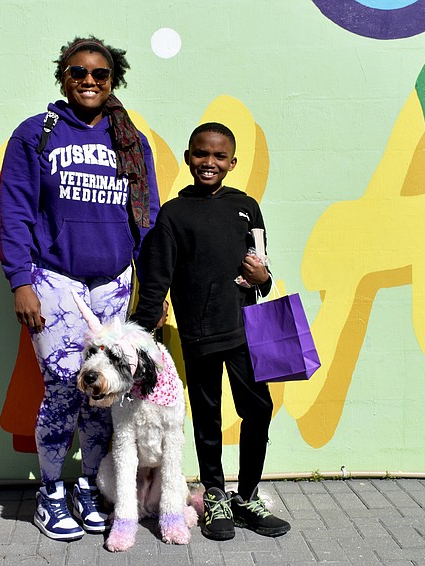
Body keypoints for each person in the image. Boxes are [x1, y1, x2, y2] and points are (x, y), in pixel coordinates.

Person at [0, 36, 160, 542]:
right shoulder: (37, 134)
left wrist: (152, 289)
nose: (88, 80)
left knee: (105, 395)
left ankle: (89, 487)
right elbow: (16, 211)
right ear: (62, 77)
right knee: (65, 387)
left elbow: (148, 217)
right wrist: (21, 281)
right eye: (77, 72)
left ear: (114, 81)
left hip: (113, 282)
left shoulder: (130, 139)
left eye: (100, 74)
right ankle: (49, 491)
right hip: (55, 281)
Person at [130, 122, 291, 541]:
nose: (210, 163)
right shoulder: (174, 214)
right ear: (188, 157)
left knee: (257, 410)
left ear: (232, 163)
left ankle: (249, 494)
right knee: (207, 416)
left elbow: (260, 269)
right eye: (202, 154)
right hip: (200, 335)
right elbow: (157, 277)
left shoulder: (247, 207)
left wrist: (264, 278)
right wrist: (142, 333)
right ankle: (216, 494)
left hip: (246, 331)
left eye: (220, 157)